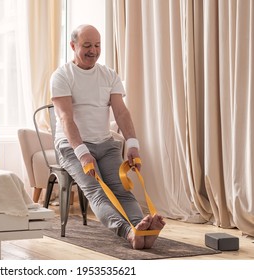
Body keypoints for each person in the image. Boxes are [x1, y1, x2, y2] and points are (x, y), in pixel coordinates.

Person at [50, 24, 165, 249]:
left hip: (105, 143)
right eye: (87, 45)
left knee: (123, 189)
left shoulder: (109, 74)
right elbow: (66, 119)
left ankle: (142, 230)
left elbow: (121, 112)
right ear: (73, 46)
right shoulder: (62, 75)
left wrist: (132, 144)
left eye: (97, 45)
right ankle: (129, 234)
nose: (93, 50)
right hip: (72, 147)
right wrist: (83, 154)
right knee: (98, 192)